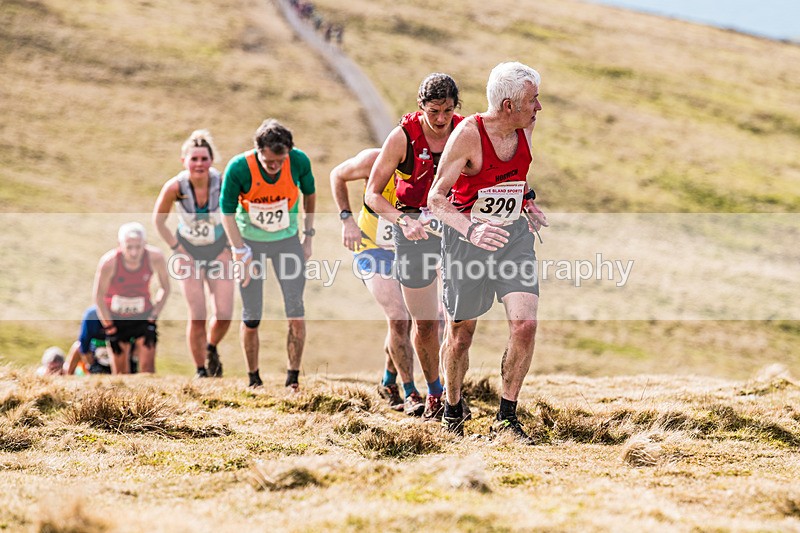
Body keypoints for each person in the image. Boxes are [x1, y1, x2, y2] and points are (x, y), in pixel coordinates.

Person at [428, 61, 549, 443]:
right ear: (509, 105)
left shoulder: (524, 126)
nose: (539, 108)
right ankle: (452, 410)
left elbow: (513, 177)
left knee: (525, 325)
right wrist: (472, 228)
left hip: (513, 239)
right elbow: (436, 199)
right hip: (467, 243)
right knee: (461, 334)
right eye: (533, 100)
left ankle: (506, 416)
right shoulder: (467, 135)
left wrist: (524, 199)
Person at [365, 73, 463, 420]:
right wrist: (403, 220)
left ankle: (453, 394)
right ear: (420, 107)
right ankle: (432, 393)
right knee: (421, 323)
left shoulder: (465, 131)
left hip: (454, 232)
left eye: (448, 110)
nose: (441, 119)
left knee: (456, 320)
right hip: (413, 234)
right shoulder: (402, 138)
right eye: (434, 111)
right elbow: (372, 194)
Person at [220, 119, 316, 390]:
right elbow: (226, 212)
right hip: (250, 243)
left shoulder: (298, 161)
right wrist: (240, 251)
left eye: (280, 160)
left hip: (287, 241)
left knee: (296, 311)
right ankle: (254, 379)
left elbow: (310, 194)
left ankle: (293, 378)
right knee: (252, 315)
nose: (274, 166)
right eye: (269, 161)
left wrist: (308, 236)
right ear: (258, 150)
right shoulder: (239, 167)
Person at [330, 148, 415, 411]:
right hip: (372, 248)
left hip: (409, 250)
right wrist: (347, 220)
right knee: (399, 317)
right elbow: (337, 175)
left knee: (409, 322)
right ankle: (411, 392)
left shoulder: (430, 164)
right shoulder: (373, 159)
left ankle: (388, 381)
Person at [153, 129, 234, 378]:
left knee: (224, 314)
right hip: (187, 252)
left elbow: (239, 215)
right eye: (194, 159)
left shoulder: (222, 183)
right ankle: (201, 371)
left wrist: (230, 247)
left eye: (204, 159)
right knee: (197, 315)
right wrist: (177, 249)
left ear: (211, 160)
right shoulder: (175, 187)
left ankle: (211, 348)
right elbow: (158, 220)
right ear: (184, 161)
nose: (199, 164)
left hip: (218, 249)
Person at [93, 222, 171, 374]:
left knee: (148, 371)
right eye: (129, 247)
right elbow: (98, 297)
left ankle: (150, 397)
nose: (134, 253)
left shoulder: (155, 257)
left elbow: (165, 288)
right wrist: (109, 327)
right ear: (120, 245)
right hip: (116, 318)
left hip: (143, 316)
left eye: (138, 247)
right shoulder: (109, 263)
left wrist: (153, 318)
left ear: (145, 244)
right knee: (121, 374)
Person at [64, 306, 113, 375]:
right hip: (95, 357)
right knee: (77, 346)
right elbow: (83, 344)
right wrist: (92, 365)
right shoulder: (91, 315)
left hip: (117, 357)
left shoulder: (119, 313)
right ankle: (68, 376)